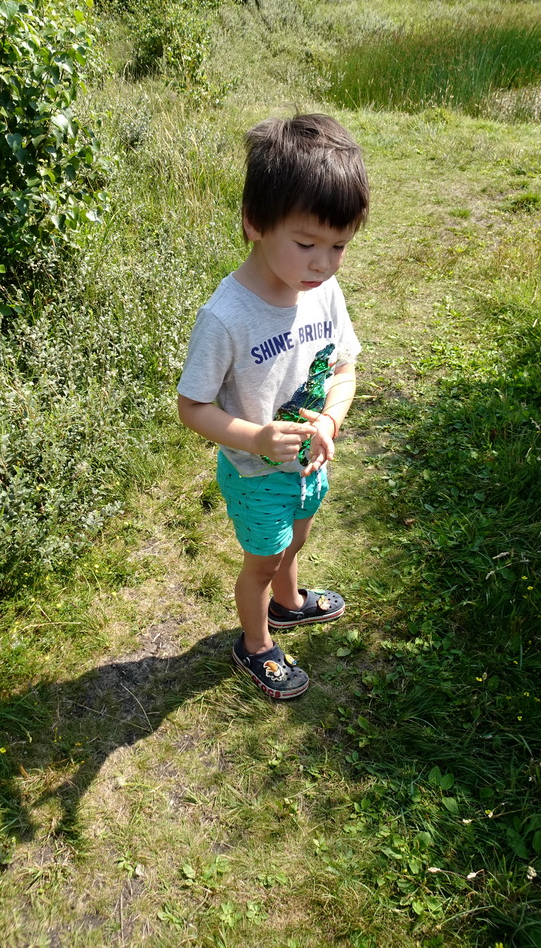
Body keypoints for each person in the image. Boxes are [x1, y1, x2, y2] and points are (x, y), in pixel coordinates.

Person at [177, 113, 369, 699]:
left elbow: (344, 369)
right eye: (308, 244)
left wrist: (332, 417)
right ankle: (255, 643)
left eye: (339, 246)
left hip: (311, 465)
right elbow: (193, 407)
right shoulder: (225, 318)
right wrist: (257, 438)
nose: (324, 263)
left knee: (295, 542)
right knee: (261, 561)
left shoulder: (325, 293)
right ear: (255, 224)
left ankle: (289, 604)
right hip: (258, 475)